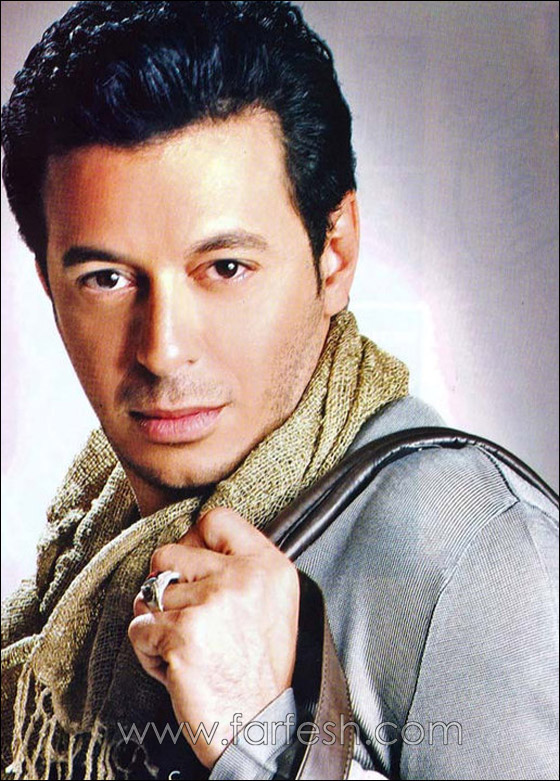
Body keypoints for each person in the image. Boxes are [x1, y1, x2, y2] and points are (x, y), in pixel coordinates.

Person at [1, 2, 557, 780]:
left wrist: (256, 739)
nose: (162, 349)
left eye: (225, 268)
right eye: (107, 278)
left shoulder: (479, 560)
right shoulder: (85, 556)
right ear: (48, 286)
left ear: (336, 252)